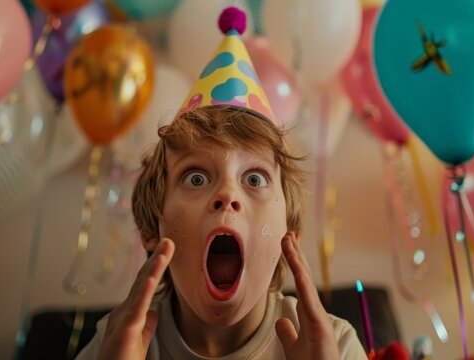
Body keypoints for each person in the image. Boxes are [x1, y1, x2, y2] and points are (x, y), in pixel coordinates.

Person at [76, 6, 366, 360]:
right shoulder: (118, 342)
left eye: (255, 178)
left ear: (288, 229)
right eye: (195, 177)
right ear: (153, 226)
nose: (227, 194)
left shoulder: (333, 343)